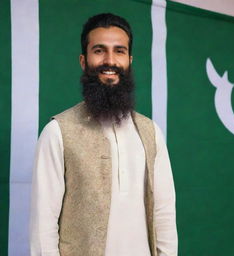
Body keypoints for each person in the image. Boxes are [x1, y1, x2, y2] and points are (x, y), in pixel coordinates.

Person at [30, 13, 178, 256]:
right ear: (83, 60)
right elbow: (42, 226)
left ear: (129, 60)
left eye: (119, 51)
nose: (110, 60)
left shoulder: (151, 132)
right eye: (99, 50)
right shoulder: (57, 132)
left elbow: (163, 213)